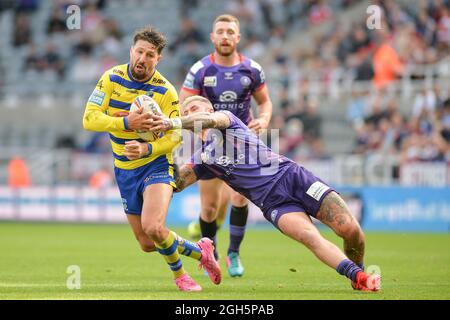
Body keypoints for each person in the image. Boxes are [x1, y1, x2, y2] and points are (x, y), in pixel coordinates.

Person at [145, 95, 381, 292]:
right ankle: (359, 277)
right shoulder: (202, 159)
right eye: (187, 110)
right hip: (272, 202)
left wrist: (173, 122)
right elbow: (174, 183)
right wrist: (154, 151)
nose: (190, 112)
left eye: (194, 108)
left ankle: (357, 268)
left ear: (209, 109)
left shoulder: (227, 119)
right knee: (311, 238)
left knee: (350, 230)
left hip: (294, 178)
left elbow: (206, 119)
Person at [82, 27, 221, 292]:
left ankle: (181, 276)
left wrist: (147, 150)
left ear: (158, 59)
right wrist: (126, 121)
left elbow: (176, 136)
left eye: (150, 54)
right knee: (147, 243)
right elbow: (89, 119)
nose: (143, 58)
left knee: (154, 226)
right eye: (139, 52)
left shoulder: (165, 91)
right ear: (131, 51)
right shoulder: (111, 78)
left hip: (157, 165)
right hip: (124, 169)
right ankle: (201, 250)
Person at [179, 14, 273, 277]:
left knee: (239, 197)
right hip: (210, 144)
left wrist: (264, 119)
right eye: (220, 31)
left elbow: (265, 102)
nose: (225, 36)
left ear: (238, 37)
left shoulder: (252, 69)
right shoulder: (200, 70)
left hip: (242, 143)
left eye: (230, 32)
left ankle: (234, 253)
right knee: (209, 208)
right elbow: (183, 106)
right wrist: (201, 130)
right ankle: (213, 254)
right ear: (212, 37)